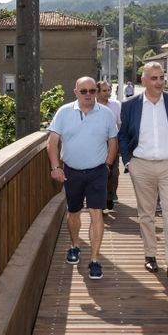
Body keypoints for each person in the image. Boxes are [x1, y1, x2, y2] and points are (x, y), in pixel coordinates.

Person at [118, 62, 168, 284]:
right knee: (146, 214)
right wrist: (128, 161)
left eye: (161, 78)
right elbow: (122, 136)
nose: (159, 82)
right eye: (154, 78)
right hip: (141, 165)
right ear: (143, 81)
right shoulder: (130, 106)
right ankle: (150, 254)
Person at [47, 76, 118, 280]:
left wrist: (107, 166)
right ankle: (75, 244)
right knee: (74, 212)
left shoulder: (105, 114)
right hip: (72, 171)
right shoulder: (64, 112)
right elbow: (52, 142)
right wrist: (55, 167)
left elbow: (113, 141)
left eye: (92, 91)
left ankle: (95, 260)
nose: (88, 95)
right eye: (84, 91)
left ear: (96, 92)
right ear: (75, 92)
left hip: (97, 171)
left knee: (97, 213)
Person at [96, 80, 122, 211]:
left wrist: (122, 144)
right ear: (97, 92)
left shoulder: (116, 105)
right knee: (98, 172)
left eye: (109, 90)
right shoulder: (92, 105)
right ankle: (101, 198)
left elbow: (120, 124)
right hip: (96, 144)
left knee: (114, 172)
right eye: (104, 91)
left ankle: (110, 197)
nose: (108, 93)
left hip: (113, 142)